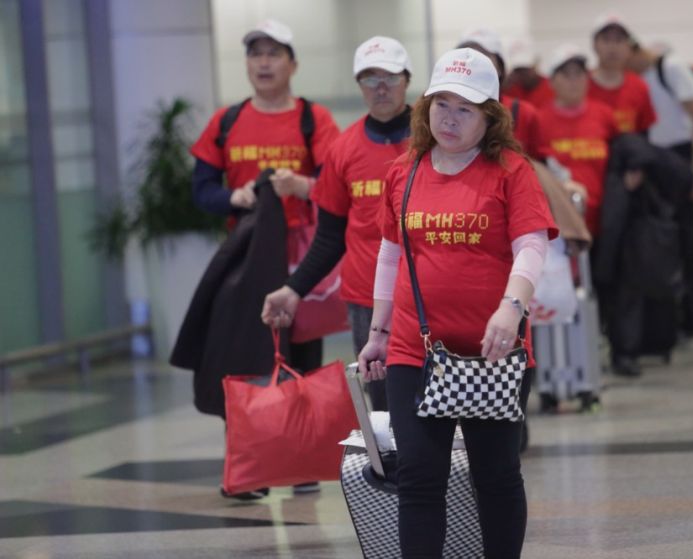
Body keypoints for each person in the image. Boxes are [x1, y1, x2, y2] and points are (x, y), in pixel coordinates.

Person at [359, 48, 557, 558]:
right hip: (413, 350)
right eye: (440, 103)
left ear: (490, 116)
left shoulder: (511, 171)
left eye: (464, 108)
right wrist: (378, 335)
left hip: (491, 351)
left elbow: (532, 245)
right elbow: (389, 253)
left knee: (496, 476)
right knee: (420, 478)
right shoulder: (404, 171)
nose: (449, 117)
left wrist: (510, 308)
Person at [188, 19, 339, 498]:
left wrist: (305, 186)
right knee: (244, 354)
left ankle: (303, 460)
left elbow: (338, 185)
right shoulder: (226, 121)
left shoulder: (313, 119)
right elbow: (202, 191)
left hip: (302, 254)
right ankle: (249, 464)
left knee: (303, 356)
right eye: (256, 54)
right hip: (247, 257)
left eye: (275, 53)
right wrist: (236, 199)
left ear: (293, 63)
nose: (264, 62)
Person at [261, 36, 413, 411]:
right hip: (367, 299)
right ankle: (391, 471)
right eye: (369, 78)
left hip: (430, 294)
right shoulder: (343, 150)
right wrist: (293, 290)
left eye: (390, 77)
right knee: (383, 407)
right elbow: (330, 238)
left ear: (407, 80)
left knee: (437, 403)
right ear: (359, 85)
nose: (380, 88)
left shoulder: (436, 142)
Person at [627, 38, 693, 335]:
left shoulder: (671, 67)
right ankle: (678, 318)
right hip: (656, 160)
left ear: (633, 49)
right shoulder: (637, 78)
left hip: (683, 157)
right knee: (666, 242)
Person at [538, 44, 622, 236]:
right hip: (562, 221)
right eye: (566, 75)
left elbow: (620, 154)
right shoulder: (540, 120)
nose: (574, 81)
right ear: (551, 81)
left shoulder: (604, 114)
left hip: (606, 218)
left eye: (579, 74)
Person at [458, 28, 542, 158]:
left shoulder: (524, 113)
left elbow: (540, 164)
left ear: (500, 67)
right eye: (466, 55)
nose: (472, 63)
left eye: (483, 56)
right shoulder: (433, 108)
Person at [587, 13, 657, 134]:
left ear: (628, 46)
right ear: (594, 45)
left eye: (619, 40)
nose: (613, 47)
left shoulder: (639, 86)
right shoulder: (579, 86)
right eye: (606, 40)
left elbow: (643, 132)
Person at [502, 37, 556, 110]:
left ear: (536, 64)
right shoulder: (508, 89)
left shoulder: (552, 88)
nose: (522, 74)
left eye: (526, 69)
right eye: (518, 69)